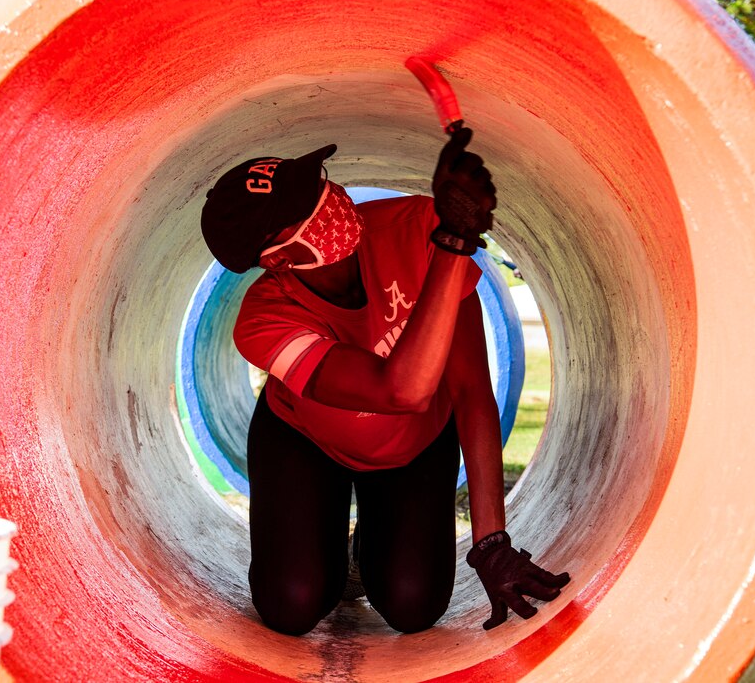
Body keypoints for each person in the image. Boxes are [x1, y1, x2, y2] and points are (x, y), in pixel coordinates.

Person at [200, 129, 570, 635]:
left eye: (316, 184)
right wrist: (453, 246)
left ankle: (366, 551)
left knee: (414, 606)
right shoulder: (263, 321)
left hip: (418, 440)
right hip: (307, 442)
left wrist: (491, 542)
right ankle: (329, 557)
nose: (328, 200)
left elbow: (468, 390)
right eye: (305, 207)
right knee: (293, 604)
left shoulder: (417, 228)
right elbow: (400, 390)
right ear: (277, 259)